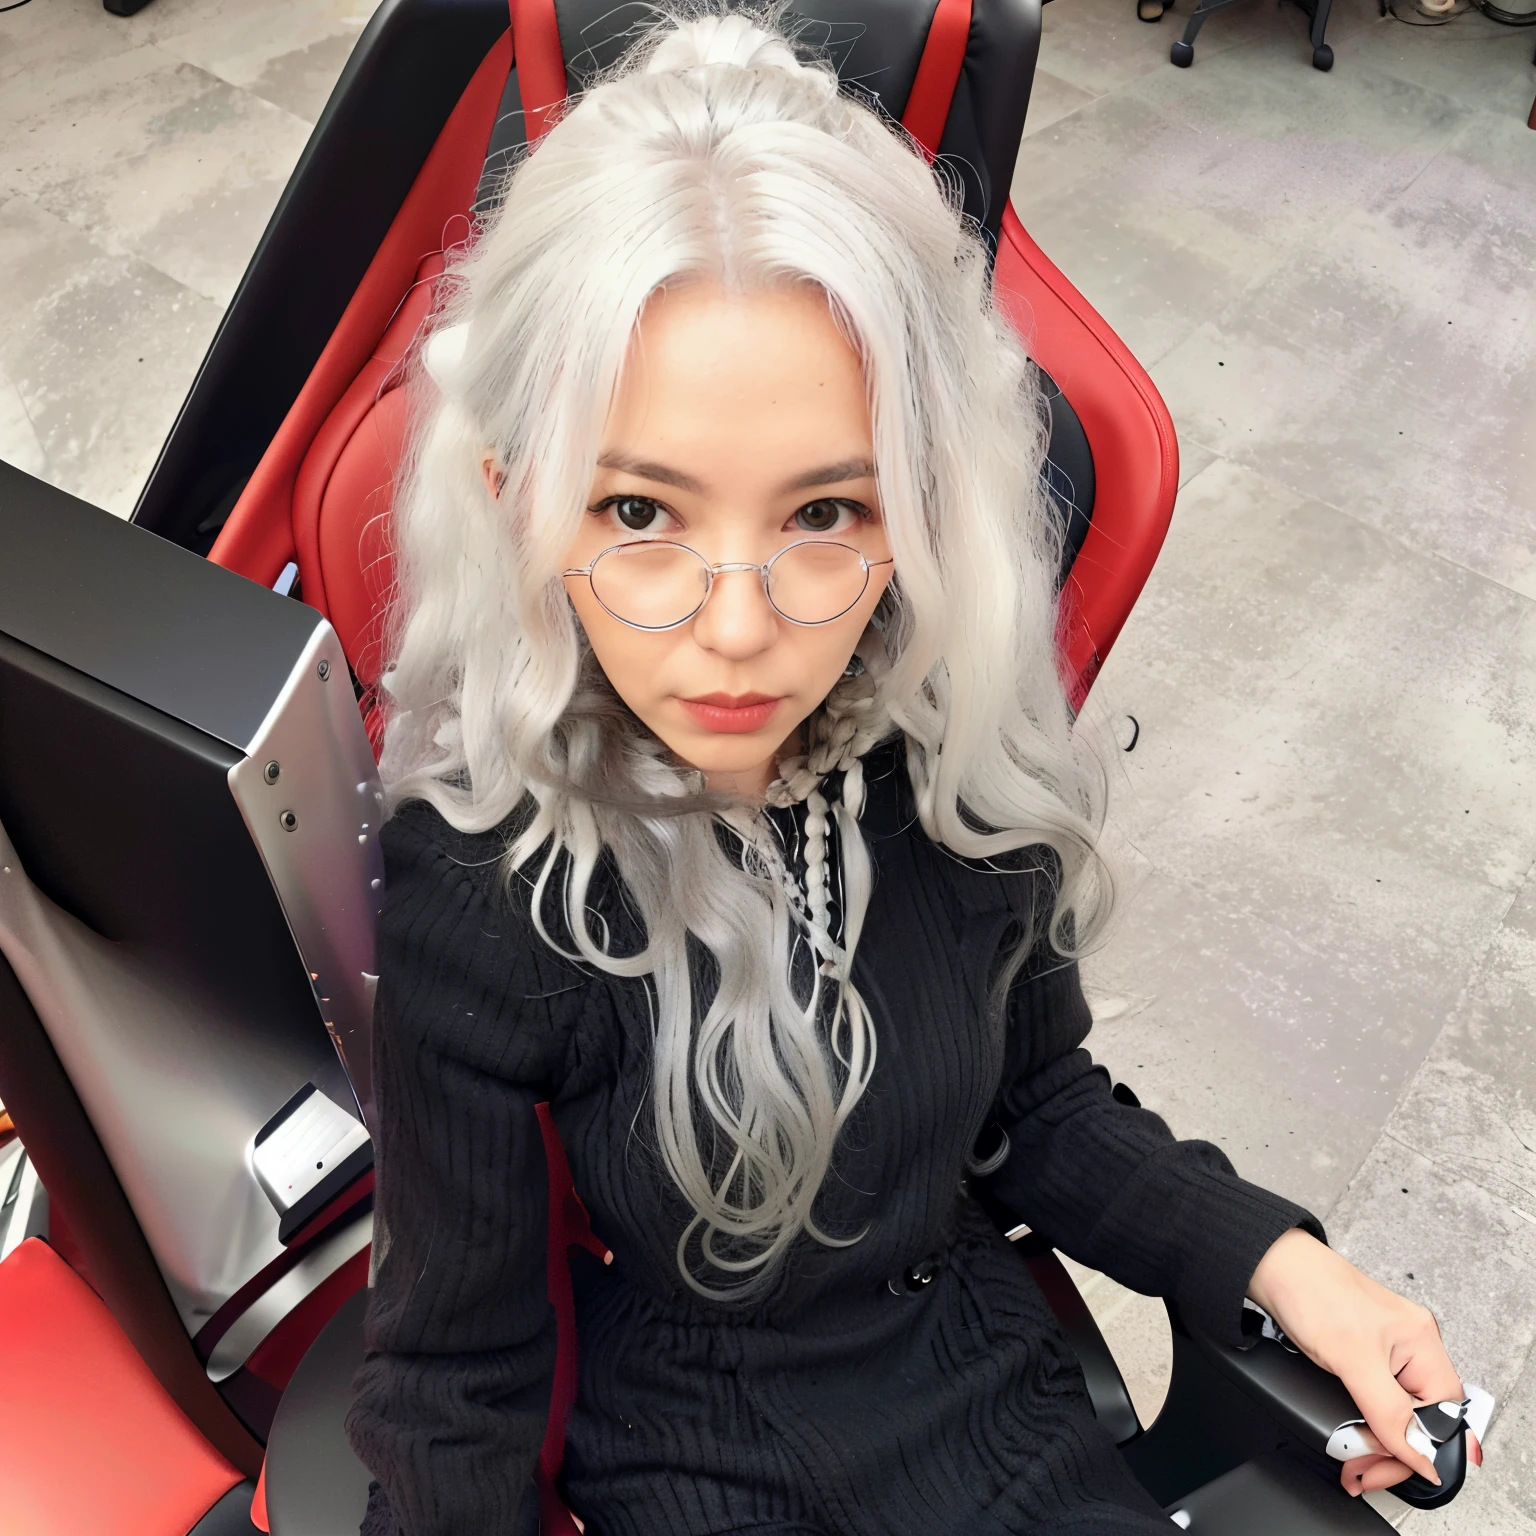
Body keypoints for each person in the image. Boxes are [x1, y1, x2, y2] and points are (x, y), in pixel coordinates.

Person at [344, 13, 1465, 1534]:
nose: (738, 634)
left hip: (989, 1412)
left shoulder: (941, 745)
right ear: (515, 497)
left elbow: (1040, 1103)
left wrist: (1282, 1264)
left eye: (824, 516)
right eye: (638, 512)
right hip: (700, 1462)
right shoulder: (489, 875)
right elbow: (450, 1379)